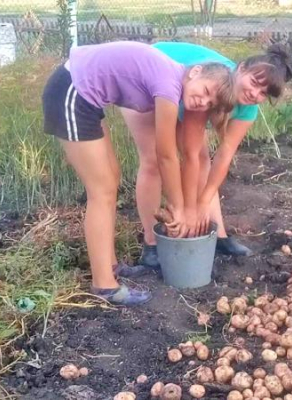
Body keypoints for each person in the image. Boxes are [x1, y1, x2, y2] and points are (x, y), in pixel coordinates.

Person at [42, 41, 235, 306]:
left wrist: (177, 204)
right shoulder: (170, 84)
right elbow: (165, 154)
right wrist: (177, 208)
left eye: (209, 103)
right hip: (71, 92)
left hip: (82, 95)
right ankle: (104, 285)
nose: (202, 102)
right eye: (205, 91)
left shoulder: (173, 80)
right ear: (195, 72)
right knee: (102, 191)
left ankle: (110, 266)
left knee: (111, 179)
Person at [121, 41, 292, 269]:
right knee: (154, 161)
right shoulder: (213, 86)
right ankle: (151, 245)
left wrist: (201, 204)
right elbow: (189, 155)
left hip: (187, 96)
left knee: (205, 160)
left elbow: (224, 155)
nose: (255, 94)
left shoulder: (248, 107)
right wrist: (188, 210)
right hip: (148, 83)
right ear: (240, 68)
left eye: (263, 93)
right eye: (254, 83)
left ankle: (218, 236)